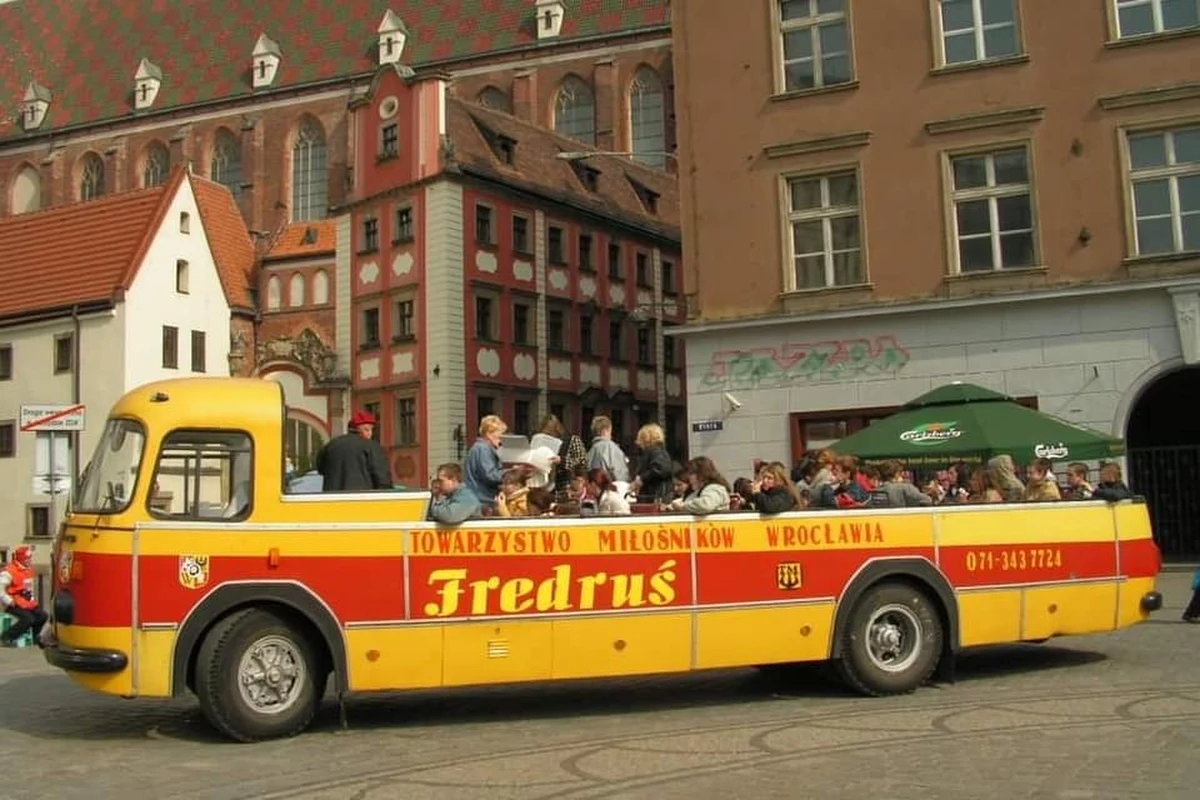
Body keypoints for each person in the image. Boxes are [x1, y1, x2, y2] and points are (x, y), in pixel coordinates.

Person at [315, 410, 392, 492]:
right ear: (358, 430)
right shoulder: (371, 446)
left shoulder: (331, 445)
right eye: (367, 429)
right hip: (360, 498)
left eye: (371, 430)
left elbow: (321, 469)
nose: (370, 433)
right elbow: (382, 477)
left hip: (332, 499)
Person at [1, 545, 47, 648]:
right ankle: (6, 637)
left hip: (26, 602)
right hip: (13, 603)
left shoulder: (28, 570)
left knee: (43, 615)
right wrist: (8, 601)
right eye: (28, 558)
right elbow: (0, 589)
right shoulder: (9, 571)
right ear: (22, 559)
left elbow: (28, 588)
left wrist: (32, 600)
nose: (30, 560)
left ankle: (35, 637)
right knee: (28, 619)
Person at [465, 415, 508, 511]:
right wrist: (512, 474)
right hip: (483, 500)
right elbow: (490, 476)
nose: (502, 439)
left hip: (478, 498)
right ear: (489, 434)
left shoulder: (478, 448)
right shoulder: (483, 449)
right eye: (500, 435)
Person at [630, 423, 674, 504]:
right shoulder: (657, 452)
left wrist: (642, 479)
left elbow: (661, 468)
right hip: (654, 496)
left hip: (654, 497)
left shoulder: (655, 452)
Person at [587, 415, 630, 482]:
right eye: (610, 431)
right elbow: (620, 473)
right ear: (605, 431)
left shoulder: (591, 450)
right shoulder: (610, 447)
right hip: (610, 489)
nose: (611, 435)